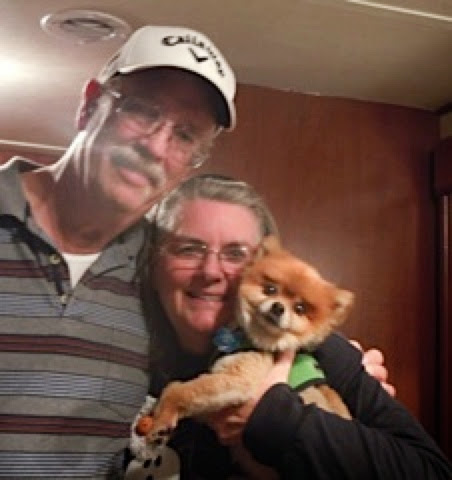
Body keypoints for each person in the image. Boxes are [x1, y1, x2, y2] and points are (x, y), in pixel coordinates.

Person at [0, 26, 237, 478]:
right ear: (90, 105)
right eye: (143, 110)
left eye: (186, 135)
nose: (155, 146)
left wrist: (338, 369)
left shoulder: (164, 273)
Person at [123, 174, 452, 479]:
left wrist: (282, 421)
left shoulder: (320, 353)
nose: (210, 271)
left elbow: (429, 470)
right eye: (189, 249)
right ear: (154, 261)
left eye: (236, 254)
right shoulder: (116, 346)